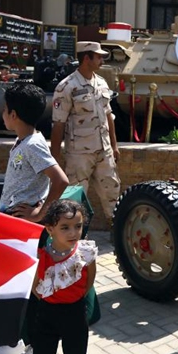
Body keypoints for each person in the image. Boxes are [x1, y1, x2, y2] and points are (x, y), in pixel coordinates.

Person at [0, 83, 69, 354]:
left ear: (13, 114)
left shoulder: (34, 144)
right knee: (13, 290)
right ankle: (11, 341)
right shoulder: (22, 141)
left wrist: (39, 213)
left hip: (26, 231)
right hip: (11, 226)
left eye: (5, 110)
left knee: (32, 292)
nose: (3, 115)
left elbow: (61, 180)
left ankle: (35, 349)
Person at [50, 41, 121, 222]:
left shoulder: (102, 83)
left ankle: (118, 233)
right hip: (79, 154)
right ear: (86, 58)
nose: (102, 59)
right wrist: (54, 160)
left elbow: (108, 116)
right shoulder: (66, 87)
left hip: (103, 151)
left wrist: (114, 146)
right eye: (98, 56)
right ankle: (76, 239)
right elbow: (58, 125)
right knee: (75, 199)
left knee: (113, 193)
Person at [32, 199, 97, 354]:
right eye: (65, 227)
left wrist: (74, 298)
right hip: (47, 314)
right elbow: (35, 287)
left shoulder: (85, 252)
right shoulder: (42, 256)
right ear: (50, 229)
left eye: (78, 226)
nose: (73, 233)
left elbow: (89, 279)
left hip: (75, 314)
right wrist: (51, 301)